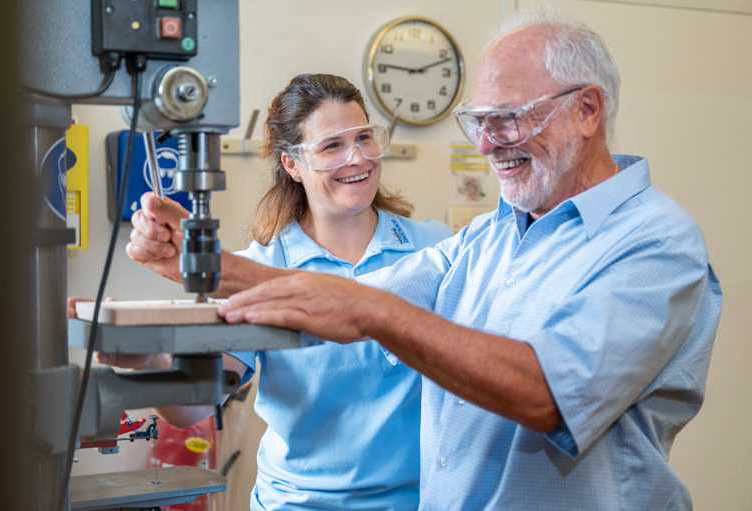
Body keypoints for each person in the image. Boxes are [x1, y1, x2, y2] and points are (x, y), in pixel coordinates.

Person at [214, 11, 723, 510]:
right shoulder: (491, 233)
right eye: (479, 121)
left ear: (587, 110)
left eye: (508, 118)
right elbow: (354, 297)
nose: (484, 143)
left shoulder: (656, 240)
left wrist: (373, 314)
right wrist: (206, 264)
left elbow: (547, 395)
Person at [113, 73, 452, 510]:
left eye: (365, 137)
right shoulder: (260, 268)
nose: (359, 158)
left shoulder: (433, 247)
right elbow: (192, 406)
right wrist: (148, 362)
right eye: (332, 145)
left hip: (421, 500)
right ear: (292, 164)